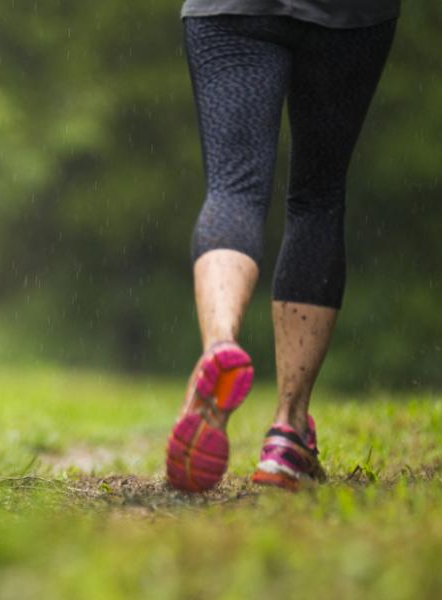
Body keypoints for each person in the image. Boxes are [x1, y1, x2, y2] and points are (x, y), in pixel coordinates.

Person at [165, 0, 400, 492]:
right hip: (348, 15)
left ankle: (220, 347)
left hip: (232, 8)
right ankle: (288, 433)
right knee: (318, 197)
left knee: (234, 188)